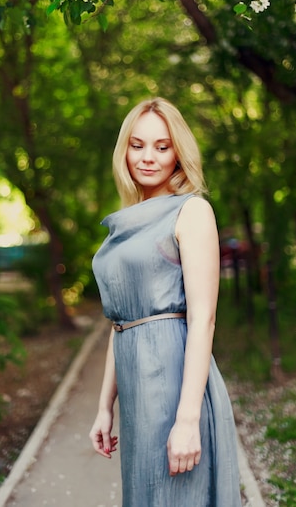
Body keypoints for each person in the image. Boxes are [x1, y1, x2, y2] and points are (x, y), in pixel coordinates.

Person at [89, 97, 242, 507]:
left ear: (178, 153)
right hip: (136, 388)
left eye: (162, 146)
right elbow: (122, 320)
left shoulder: (191, 211)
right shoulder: (129, 218)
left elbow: (204, 318)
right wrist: (106, 406)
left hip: (174, 381)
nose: (148, 157)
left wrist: (188, 419)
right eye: (137, 145)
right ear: (124, 149)